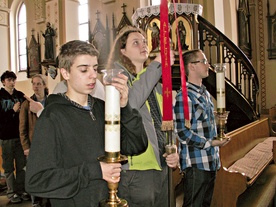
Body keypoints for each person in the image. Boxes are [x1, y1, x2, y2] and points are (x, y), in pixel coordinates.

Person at [25, 40, 148, 207]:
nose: (92, 75)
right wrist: (95, 170)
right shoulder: (52, 117)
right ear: (65, 73)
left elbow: (136, 145)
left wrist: (124, 108)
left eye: (95, 68)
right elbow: (36, 181)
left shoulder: (103, 107)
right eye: (84, 69)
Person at [106, 26, 179, 207]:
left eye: (144, 41)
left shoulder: (153, 81)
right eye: (135, 42)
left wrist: (174, 149)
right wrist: (157, 64)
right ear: (122, 51)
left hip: (161, 164)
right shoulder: (117, 79)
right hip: (137, 170)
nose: (143, 45)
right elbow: (131, 103)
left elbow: (167, 121)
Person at [174, 49, 230, 207]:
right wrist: (211, 143)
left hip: (211, 160)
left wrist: (219, 123)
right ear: (191, 67)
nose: (208, 65)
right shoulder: (184, 97)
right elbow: (182, 133)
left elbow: (203, 125)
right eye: (204, 61)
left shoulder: (204, 93)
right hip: (196, 164)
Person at [0, 70, 30, 204]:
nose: (12, 82)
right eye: (9, 80)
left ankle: (21, 190)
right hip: (6, 137)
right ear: (3, 82)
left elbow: (29, 103)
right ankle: (11, 193)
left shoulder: (19, 95)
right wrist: (12, 111)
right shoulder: (0, 96)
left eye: (13, 80)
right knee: (8, 168)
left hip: (19, 136)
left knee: (21, 166)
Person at [19, 74, 49, 207]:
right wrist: (26, 147)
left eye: (38, 84)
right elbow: (22, 128)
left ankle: (49, 198)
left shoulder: (51, 102)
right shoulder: (27, 104)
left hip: (48, 144)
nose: (36, 86)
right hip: (33, 145)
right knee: (35, 173)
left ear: (44, 85)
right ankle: (35, 200)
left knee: (48, 172)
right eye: (34, 84)